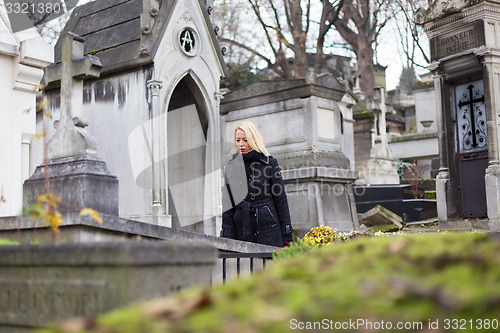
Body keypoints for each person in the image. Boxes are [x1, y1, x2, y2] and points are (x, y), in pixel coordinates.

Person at [221, 122, 293, 247]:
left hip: (268, 228)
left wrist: (286, 235)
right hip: (241, 228)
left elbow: (280, 200)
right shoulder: (231, 166)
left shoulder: (270, 163)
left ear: (253, 140)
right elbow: (228, 205)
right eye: (237, 140)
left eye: (245, 140)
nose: (240, 144)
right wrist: (227, 236)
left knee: (270, 265)